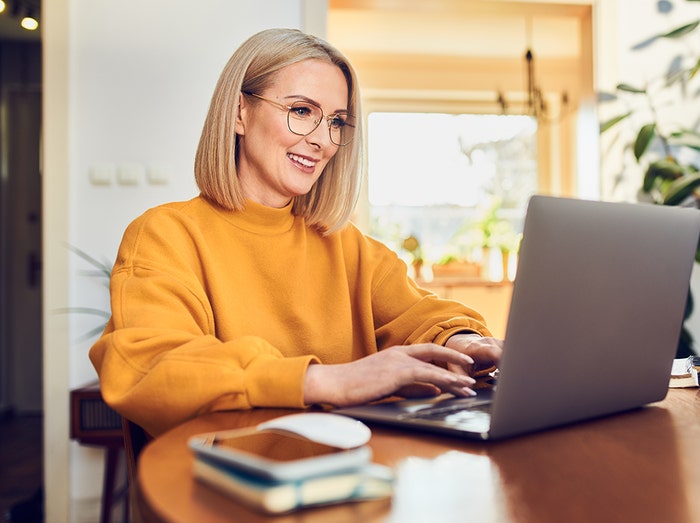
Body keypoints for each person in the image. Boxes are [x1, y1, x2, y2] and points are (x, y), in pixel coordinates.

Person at [89, 28, 503, 437]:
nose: (323, 140)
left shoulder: (345, 244)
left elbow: (423, 314)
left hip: (351, 480)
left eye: (336, 121)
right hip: (224, 485)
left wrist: (462, 342)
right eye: (302, 111)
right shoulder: (165, 235)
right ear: (239, 112)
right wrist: (328, 382)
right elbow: (151, 366)